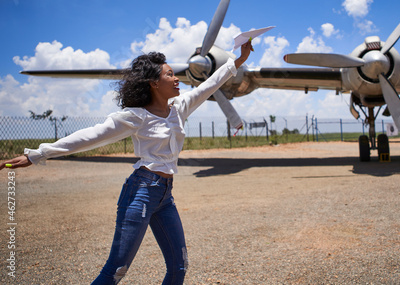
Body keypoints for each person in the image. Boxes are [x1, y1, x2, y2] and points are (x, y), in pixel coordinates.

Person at [0, 41, 253, 284]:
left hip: (165, 196)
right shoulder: (136, 116)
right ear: (154, 83)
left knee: (180, 267)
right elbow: (90, 136)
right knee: (116, 271)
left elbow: (211, 84)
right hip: (140, 192)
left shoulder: (179, 106)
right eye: (169, 75)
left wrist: (238, 60)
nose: (178, 78)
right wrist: (37, 154)